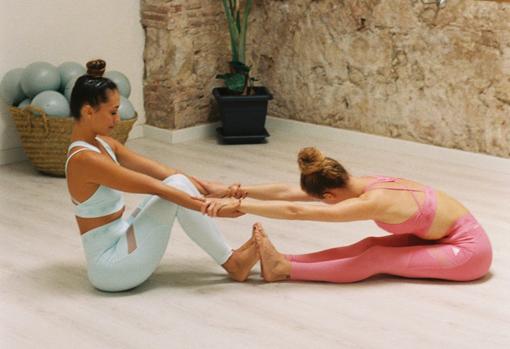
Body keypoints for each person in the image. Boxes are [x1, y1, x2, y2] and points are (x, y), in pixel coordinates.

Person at [65, 59, 258, 292]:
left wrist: (212, 188)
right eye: (113, 112)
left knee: (176, 182)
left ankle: (231, 259)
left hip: (121, 237)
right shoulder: (84, 159)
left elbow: (166, 173)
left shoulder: (103, 144)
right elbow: (157, 188)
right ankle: (233, 263)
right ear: (88, 111)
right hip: (111, 267)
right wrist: (213, 208)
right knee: (172, 190)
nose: (117, 119)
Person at [197, 147, 493, 283]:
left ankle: (285, 269)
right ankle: (282, 259)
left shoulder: (371, 201)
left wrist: (242, 207)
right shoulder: (361, 182)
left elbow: (296, 210)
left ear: (328, 195)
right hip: (441, 238)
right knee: (367, 245)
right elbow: (290, 193)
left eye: (322, 200)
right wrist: (234, 191)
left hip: (468, 253)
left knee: (375, 257)